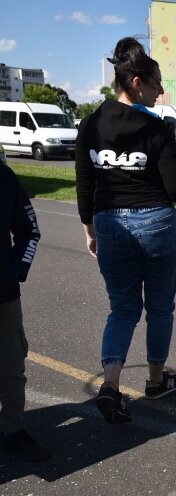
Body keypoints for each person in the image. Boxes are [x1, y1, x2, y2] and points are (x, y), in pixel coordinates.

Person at [75, 37, 176, 424]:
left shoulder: (90, 124)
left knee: (122, 308)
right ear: (137, 82)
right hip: (156, 222)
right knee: (159, 307)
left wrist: (90, 229)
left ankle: (110, 385)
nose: (161, 91)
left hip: (107, 223)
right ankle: (156, 380)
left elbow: (85, 185)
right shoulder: (157, 128)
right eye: (156, 83)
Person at [0, 158, 51, 462]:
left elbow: (29, 230)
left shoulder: (4, 178)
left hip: (4, 294)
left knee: (11, 365)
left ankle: (12, 428)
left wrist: (14, 270)